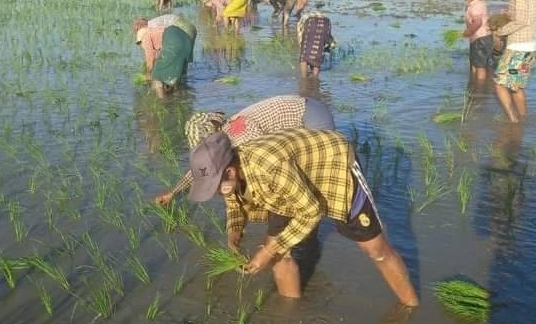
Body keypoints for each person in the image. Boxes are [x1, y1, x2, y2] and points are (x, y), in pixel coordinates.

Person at [188, 129, 419, 305]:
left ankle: (411, 306)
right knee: (279, 253)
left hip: (333, 166)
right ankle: (291, 315)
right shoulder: (232, 176)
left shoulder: (270, 167)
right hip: (287, 183)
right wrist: (234, 232)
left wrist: (267, 252)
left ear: (230, 170)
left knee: (376, 250)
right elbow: (234, 202)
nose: (218, 192)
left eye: (216, 186)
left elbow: (311, 211)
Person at [155, 95, 336, 207]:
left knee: (315, 177)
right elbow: (204, 168)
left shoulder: (240, 134)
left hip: (311, 116)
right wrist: (174, 192)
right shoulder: (224, 140)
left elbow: (268, 158)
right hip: (304, 112)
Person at [491, 0, 536, 123]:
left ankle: (514, 121)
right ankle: (523, 119)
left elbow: (521, 20)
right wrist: (507, 15)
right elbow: (525, 16)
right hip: (530, 46)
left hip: (518, 47)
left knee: (499, 84)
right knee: (516, 87)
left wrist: (500, 32)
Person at [134, 17, 191, 96]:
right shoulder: (155, 30)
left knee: (156, 76)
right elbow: (160, 52)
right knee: (178, 75)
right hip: (186, 41)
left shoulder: (144, 35)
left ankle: (162, 102)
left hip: (175, 43)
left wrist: (148, 73)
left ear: (138, 30)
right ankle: (179, 94)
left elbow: (150, 56)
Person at [460, 0, 493, 82]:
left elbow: (478, 23)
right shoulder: (477, 3)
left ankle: (480, 87)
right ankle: (474, 83)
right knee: (476, 62)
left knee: (480, 66)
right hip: (480, 39)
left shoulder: (477, 5)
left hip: (481, 39)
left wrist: (468, 32)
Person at [296, 10, 335, 76]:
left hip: (311, 22)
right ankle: (315, 78)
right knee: (317, 55)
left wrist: (302, 48)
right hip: (326, 22)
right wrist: (327, 47)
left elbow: (300, 39)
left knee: (304, 58)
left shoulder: (302, 22)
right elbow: (329, 38)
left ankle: (303, 78)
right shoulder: (325, 19)